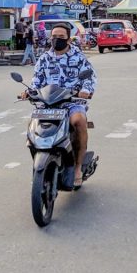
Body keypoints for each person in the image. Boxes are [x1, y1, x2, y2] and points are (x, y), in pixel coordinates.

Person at [27, 23, 97, 188]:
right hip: (48, 103)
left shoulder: (78, 57)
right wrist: (30, 92)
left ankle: (78, 167)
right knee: (31, 125)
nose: (56, 40)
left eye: (61, 37)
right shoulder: (45, 58)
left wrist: (85, 90)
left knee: (79, 121)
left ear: (68, 39)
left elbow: (90, 77)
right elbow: (37, 80)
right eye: (54, 37)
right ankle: (41, 164)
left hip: (71, 102)